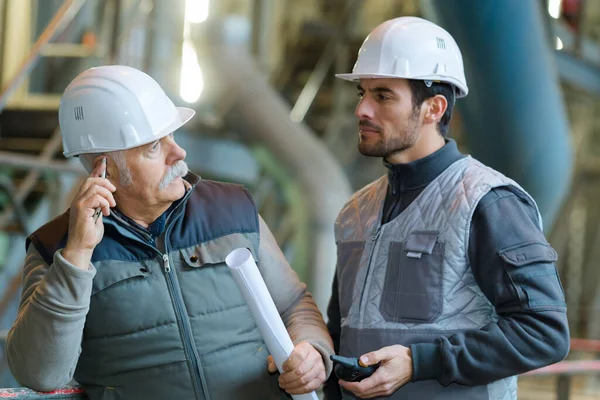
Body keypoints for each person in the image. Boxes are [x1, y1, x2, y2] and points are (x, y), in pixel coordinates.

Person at [5, 65, 333, 399]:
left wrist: (313, 351)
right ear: (105, 168)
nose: (178, 154)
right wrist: (76, 257)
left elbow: (293, 304)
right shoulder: (54, 249)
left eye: (171, 137)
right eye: (153, 147)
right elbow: (41, 374)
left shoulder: (234, 210)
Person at [324, 17, 570, 399]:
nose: (362, 110)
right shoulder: (355, 212)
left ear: (433, 108)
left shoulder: (487, 202)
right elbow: (342, 331)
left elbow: (544, 332)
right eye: (362, 92)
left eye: (383, 95)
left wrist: (420, 361)